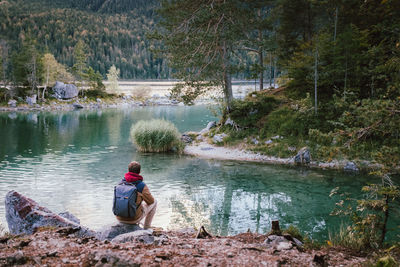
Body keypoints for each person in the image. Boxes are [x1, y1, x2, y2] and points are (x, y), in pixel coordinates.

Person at [115, 161, 157, 229]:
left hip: (119, 218)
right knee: (155, 202)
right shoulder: (141, 185)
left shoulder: (120, 183)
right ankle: (147, 227)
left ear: (128, 170)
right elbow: (151, 201)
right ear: (139, 172)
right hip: (133, 219)